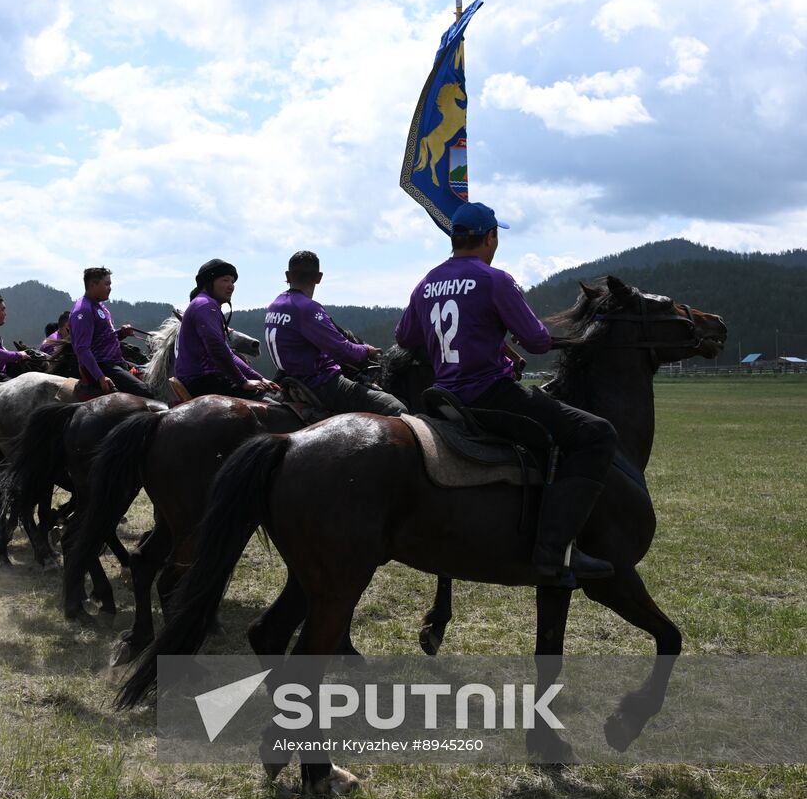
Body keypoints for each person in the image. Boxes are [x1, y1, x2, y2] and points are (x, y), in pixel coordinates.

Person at [395, 201, 617, 588]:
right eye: (496, 237)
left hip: (443, 396)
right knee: (597, 434)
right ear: (490, 237)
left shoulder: (426, 282)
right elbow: (535, 339)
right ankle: (557, 550)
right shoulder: (496, 279)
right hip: (489, 395)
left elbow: (404, 337)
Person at [264, 251, 405, 416]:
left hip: (288, 380)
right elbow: (342, 350)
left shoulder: (275, 305)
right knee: (395, 407)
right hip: (320, 384)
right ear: (319, 278)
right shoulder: (308, 308)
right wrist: (366, 351)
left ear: (288, 276)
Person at [175, 259, 279, 400]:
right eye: (225, 280)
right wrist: (243, 382)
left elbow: (227, 353)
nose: (231, 286)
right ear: (208, 282)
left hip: (203, 380)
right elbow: (217, 348)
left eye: (232, 282)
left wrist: (259, 378)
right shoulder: (205, 305)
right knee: (274, 407)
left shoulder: (204, 304)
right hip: (204, 381)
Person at [69, 267, 152, 398]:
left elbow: (103, 339)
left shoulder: (99, 305)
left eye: (110, 284)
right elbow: (82, 348)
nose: (110, 288)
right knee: (145, 392)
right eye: (107, 284)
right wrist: (100, 377)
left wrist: (122, 333)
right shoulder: (83, 310)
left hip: (115, 361)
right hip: (102, 365)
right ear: (92, 285)